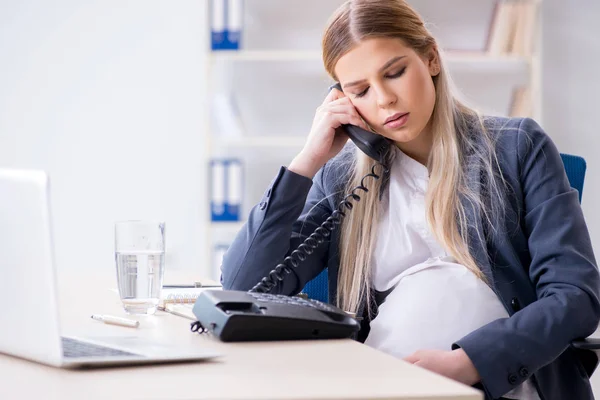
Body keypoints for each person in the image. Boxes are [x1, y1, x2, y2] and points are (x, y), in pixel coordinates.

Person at [219, 1, 600, 399]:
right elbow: (243, 287)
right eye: (361, 90)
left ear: (431, 58)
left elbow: (575, 297)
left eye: (395, 72)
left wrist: (467, 363)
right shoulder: (343, 179)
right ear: (341, 100)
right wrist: (305, 162)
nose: (384, 99)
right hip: (382, 383)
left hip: (500, 382)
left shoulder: (517, 146)